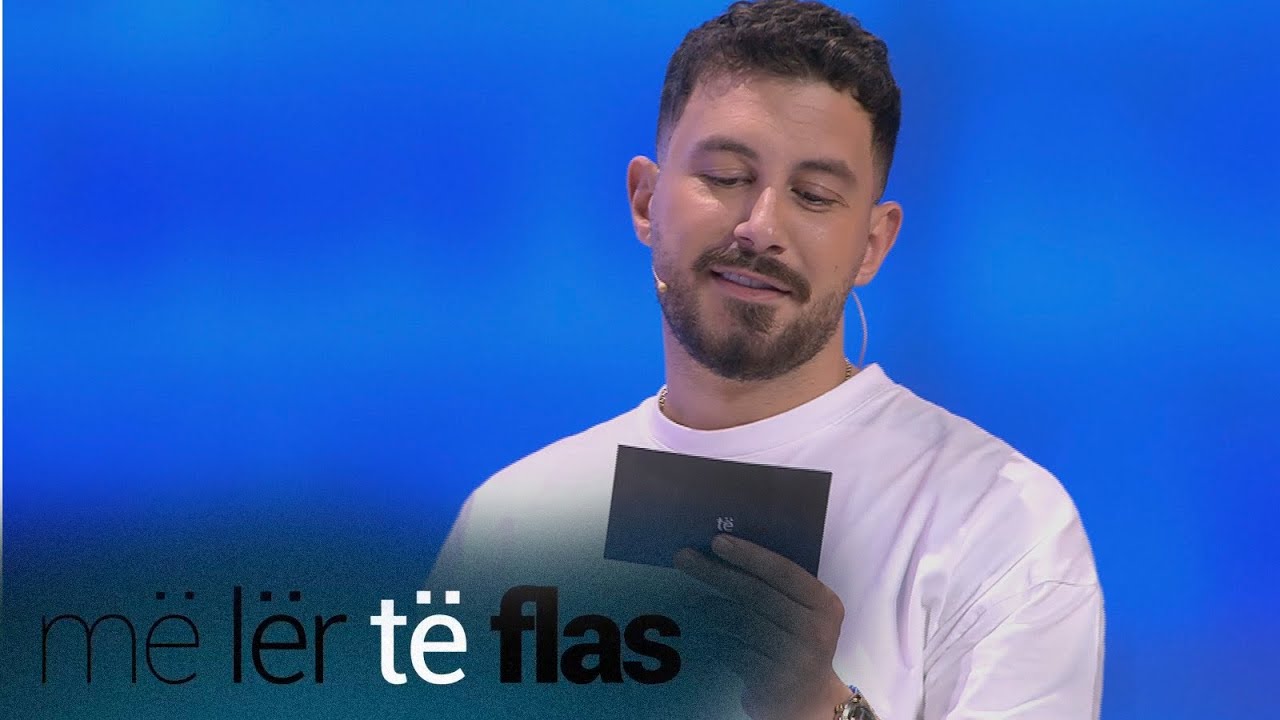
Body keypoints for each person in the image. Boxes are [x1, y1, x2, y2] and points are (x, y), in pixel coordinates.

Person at [430, 1, 1104, 718]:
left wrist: (822, 707)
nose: (761, 227)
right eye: (726, 176)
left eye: (814, 196)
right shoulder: (512, 522)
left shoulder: (998, 523)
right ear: (646, 201)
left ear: (872, 244)